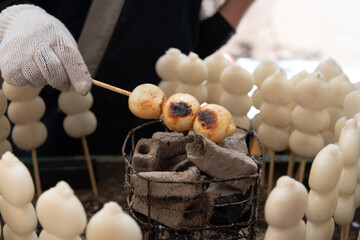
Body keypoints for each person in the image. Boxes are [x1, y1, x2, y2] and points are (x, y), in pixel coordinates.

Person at [0, 0, 255, 156]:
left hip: (155, 116)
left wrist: (227, 20)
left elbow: (190, 33)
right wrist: (15, 13)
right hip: (48, 85)